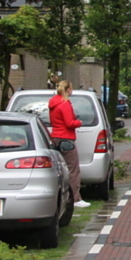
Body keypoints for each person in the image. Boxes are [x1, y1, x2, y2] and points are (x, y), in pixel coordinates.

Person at [49, 80, 90, 208]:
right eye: (71, 89)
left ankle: (61, 198)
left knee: (59, 169)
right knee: (73, 169)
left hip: (55, 137)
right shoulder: (65, 104)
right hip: (66, 139)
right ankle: (75, 199)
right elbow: (69, 123)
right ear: (68, 90)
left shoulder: (53, 103)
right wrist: (79, 122)